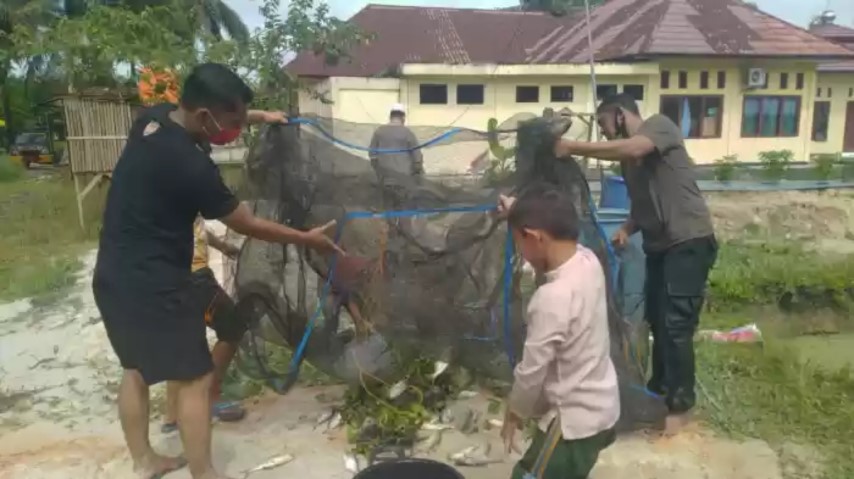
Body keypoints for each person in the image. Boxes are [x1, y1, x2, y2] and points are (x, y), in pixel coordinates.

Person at [93, 62, 341, 479]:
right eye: (234, 122)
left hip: (112, 275)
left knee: (134, 370)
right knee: (195, 378)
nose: (238, 130)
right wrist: (306, 238)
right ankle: (205, 473)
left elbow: (219, 116)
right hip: (157, 283)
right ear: (205, 115)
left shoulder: (153, 120)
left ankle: (144, 461)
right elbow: (245, 223)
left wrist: (263, 116)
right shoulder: (191, 165)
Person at [552, 93, 718, 434]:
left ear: (619, 114)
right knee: (656, 320)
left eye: (603, 123)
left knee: (675, 325)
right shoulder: (629, 163)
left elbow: (634, 148)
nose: (603, 131)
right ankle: (658, 394)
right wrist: (627, 229)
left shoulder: (659, 126)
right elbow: (643, 204)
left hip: (688, 241)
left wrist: (572, 147)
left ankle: (680, 406)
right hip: (660, 247)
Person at [497, 184, 619, 479]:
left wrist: (515, 412)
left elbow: (531, 371)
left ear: (534, 236)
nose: (522, 254)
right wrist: (518, 212)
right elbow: (548, 230)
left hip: (571, 425)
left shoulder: (552, 297)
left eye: (520, 243)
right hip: (603, 406)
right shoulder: (588, 261)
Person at [160, 217, 245, 434]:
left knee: (182, 343)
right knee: (233, 326)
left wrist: (223, 246)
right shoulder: (179, 199)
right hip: (195, 278)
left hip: (169, 280)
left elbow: (198, 228)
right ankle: (210, 396)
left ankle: (172, 417)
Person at [368, 103, 424, 182]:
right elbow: (417, 158)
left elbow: (372, 155)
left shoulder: (379, 131)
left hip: (384, 177)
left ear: (390, 117)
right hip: (404, 177)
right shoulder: (408, 133)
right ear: (403, 118)